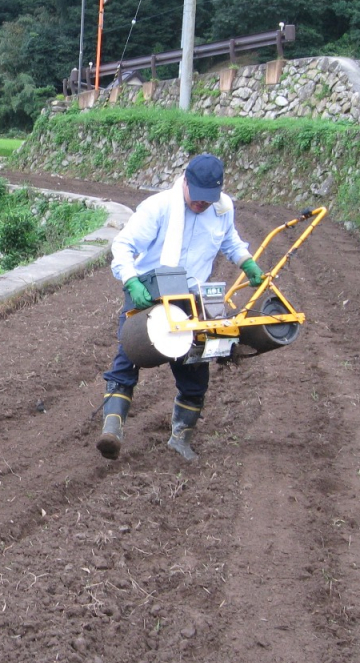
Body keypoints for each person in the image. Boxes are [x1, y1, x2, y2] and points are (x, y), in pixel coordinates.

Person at [96, 153, 263, 462]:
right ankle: (112, 431)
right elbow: (123, 246)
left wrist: (248, 263)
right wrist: (131, 281)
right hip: (149, 291)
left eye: (208, 199)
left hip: (191, 297)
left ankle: (181, 438)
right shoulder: (158, 207)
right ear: (185, 182)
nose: (201, 204)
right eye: (197, 197)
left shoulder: (222, 210)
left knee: (195, 370)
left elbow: (230, 242)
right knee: (128, 357)